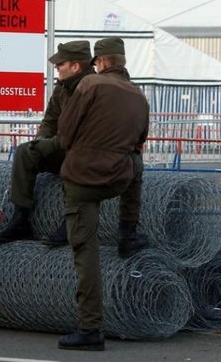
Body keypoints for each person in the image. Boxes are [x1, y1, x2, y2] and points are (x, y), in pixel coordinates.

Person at [56, 37, 150, 351]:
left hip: (82, 180)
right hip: (119, 177)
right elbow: (139, 143)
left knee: (86, 252)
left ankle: (90, 328)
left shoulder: (90, 85)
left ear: (103, 62)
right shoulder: (139, 96)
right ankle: (128, 231)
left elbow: (65, 134)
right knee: (136, 163)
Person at [0, 41, 95, 245]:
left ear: (75, 66)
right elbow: (49, 121)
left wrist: (49, 145)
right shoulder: (62, 88)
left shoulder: (93, 88)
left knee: (75, 159)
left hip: (85, 151)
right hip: (61, 145)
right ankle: (21, 219)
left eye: (60, 64)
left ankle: (71, 224)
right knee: (25, 152)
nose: (56, 68)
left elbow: (81, 135)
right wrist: (40, 142)